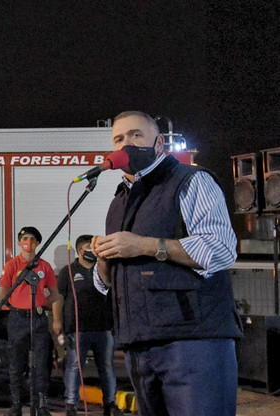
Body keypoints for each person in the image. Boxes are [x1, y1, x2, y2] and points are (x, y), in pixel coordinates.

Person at [92, 111, 243, 416]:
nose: (126, 144)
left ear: (159, 143)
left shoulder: (191, 181)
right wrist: (104, 260)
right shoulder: (118, 201)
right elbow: (106, 282)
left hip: (193, 343)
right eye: (118, 139)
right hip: (139, 346)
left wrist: (144, 245)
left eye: (136, 135)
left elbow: (220, 249)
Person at [52, 235, 122, 416]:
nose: (92, 250)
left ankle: (110, 404)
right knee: (74, 366)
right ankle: (71, 404)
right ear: (80, 250)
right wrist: (57, 321)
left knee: (106, 367)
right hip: (77, 329)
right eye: (88, 247)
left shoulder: (103, 269)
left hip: (103, 327)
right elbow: (59, 298)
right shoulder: (68, 271)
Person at [0, 226, 60, 416]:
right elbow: (3, 295)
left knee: (41, 364)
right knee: (16, 363)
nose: (28, 242)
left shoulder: (44, 266)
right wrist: (19, 306)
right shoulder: (12, 265)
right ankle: (16, 404)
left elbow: (55, 294)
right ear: (19, 243)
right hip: (18, 319)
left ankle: (41, 405)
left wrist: (41, 304)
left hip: (38, 319)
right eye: (25, 238)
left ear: (38, 243)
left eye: (32, 239)